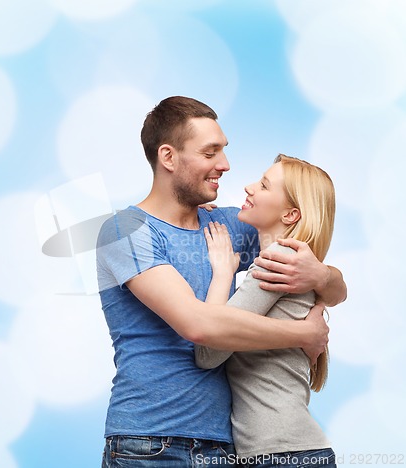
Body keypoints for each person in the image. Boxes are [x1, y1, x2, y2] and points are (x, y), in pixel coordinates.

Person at [96, 96, 346, 467]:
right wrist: (303, 335)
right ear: (168, 158)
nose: (225, 166)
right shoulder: (125, 231)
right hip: (149, 441)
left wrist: (323, 275)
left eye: (223, 152)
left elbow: (309, 259)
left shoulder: (227, 225)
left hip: (227, 448)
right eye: (210, 153)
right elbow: (198, 325)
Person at [195, 154, 338, 467]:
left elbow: (208, 353)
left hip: (280, 455)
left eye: (263, 185)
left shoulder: (278, 261)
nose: (248, 187)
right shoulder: (295, 261)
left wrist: (223, 273)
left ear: (290, 215)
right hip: (290, 451)